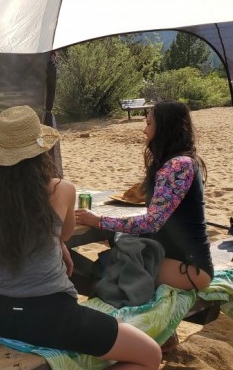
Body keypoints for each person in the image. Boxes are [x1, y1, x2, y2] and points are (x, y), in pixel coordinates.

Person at [0, 105, 161, 370]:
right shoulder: (61, 189)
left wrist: (54, 242)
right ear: (41, 151)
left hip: (3, 314)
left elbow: (33, 230)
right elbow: (63, 231)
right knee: (149, 355)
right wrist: (59, 242)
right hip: (52, 317)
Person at [75, 99, 214, 291]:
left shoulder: (178, 165)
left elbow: (151, 222)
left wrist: (99, 221)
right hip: (177, 260)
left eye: (149, 124)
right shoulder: (182, 161)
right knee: (108, 264)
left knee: (106, 275)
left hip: (189, 268)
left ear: (165, 128)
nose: (145, 130)